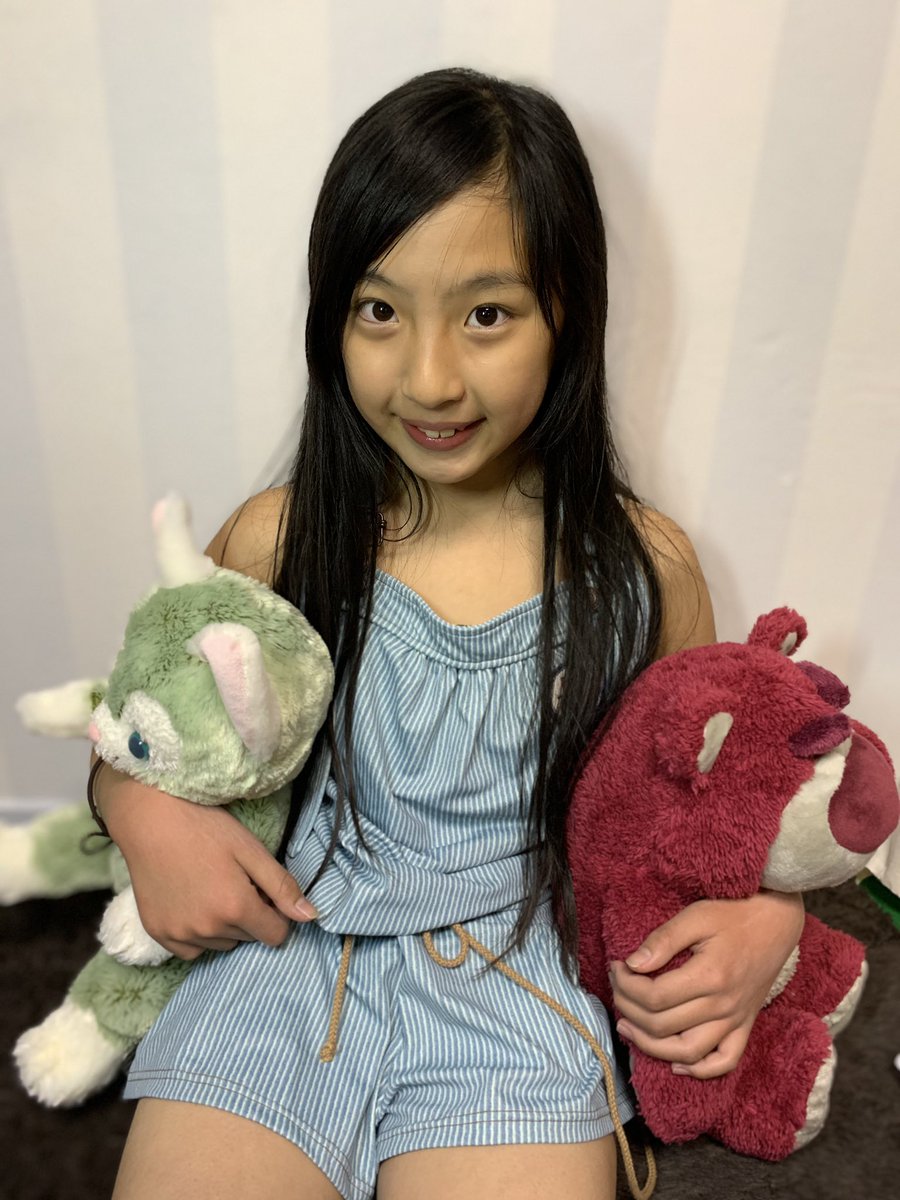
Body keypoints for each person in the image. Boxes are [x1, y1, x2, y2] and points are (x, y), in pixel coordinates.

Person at [97, 68, 803, 1200]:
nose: (430, 379)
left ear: (568, 311)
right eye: (380, 312)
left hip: (517, 990)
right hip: (284, 959)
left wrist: (768, 922)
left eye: (487, 315)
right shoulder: (278, 539)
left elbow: (715, 818)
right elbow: (144, 730)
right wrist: (141, 812)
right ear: (333, 316)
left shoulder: (642, 573)